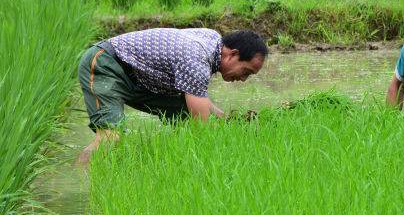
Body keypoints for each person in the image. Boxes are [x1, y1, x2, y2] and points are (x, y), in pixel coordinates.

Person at [77, 28, 267, 163]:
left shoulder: (213, 41)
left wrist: (231, 122)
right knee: (110, 138)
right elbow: (203, 128)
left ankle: (173, 162)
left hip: (141, 77)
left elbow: (201, 104)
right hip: (107, 63)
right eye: (246, 72)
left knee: (185, 115)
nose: (243, 79)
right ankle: (80, 184)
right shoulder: (197, 60)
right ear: (232, 55)